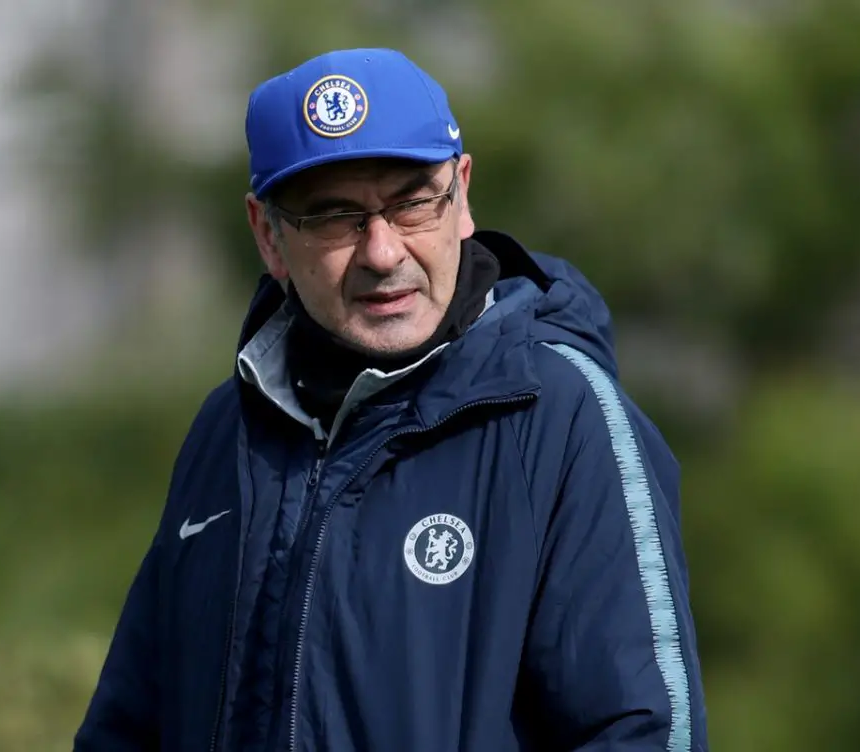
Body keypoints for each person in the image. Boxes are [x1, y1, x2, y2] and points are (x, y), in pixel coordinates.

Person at [74, 47, 710, 752]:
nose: (382, 252)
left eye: (411, 204)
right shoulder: (228, 430)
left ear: (461, 196)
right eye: (335, 217)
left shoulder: (561, 415)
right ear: (268, 235)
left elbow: (642, 732)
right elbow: (125, 730)